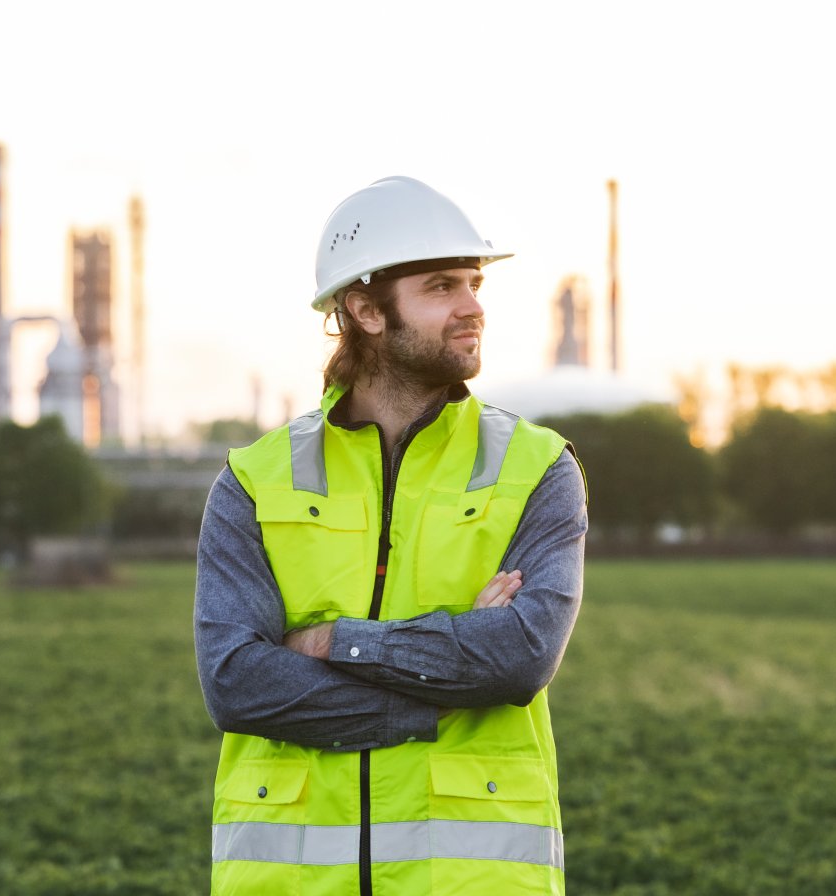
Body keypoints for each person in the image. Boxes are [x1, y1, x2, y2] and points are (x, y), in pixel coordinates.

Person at [194, 176, 587, 896]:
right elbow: (237, 685)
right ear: (366, 310)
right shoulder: (253, 481)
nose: (473, 308)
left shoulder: (535, 468)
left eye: (473, 284)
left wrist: (331, 642)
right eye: (442, 286)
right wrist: (446, 689)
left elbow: (520, 658)